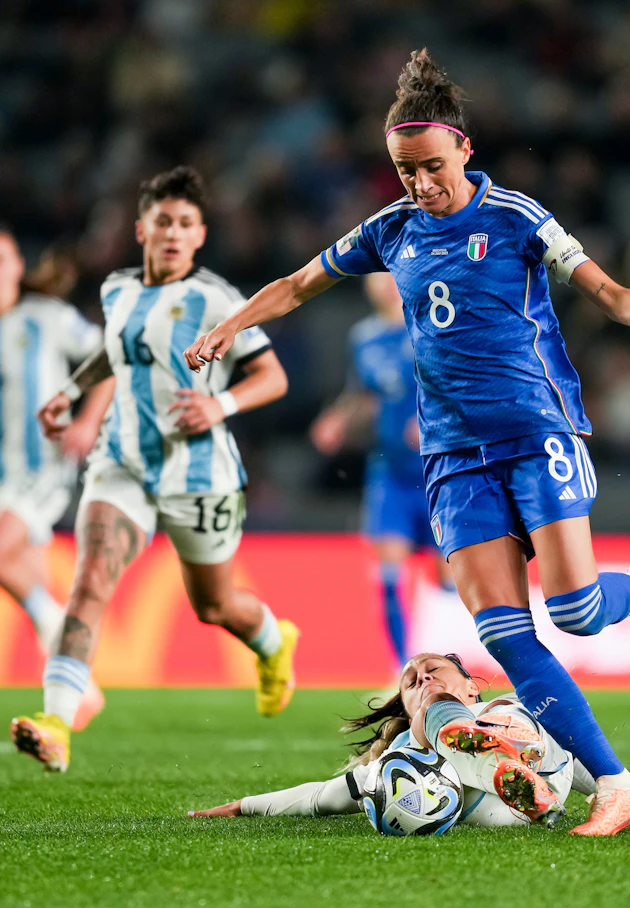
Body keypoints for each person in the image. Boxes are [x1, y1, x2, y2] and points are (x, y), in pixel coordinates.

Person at [184, 50, 630, 835]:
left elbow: (611, 294)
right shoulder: (390, 230)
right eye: (404, 170)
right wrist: (231, 325)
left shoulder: (518, 216)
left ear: (464, 152)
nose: (420, 184)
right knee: (504, 635)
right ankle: (617, 785)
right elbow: (296, 284)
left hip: (535, 431)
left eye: (430, 166)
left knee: (580, 612)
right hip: (452, 458)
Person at [10, 166, 298, 773]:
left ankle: (274, 641)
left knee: (215, 608)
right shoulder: (118, 289)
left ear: (200, 235)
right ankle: (57, 721)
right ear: (142, 229)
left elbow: (272, 377)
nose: (172, 233)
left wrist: (220, 404)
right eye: (163, 222)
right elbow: (115, 352)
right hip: (121, 464)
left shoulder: (215, 299)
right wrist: (70, 391)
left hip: (199, 475)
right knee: (90, 583)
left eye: (185, 224)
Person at [188, 652, 630, 830]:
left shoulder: (505, 707)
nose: (421, 681)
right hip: (528, 781)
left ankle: (493, 756)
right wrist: (241, 805)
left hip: (528, 748)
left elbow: (618, 787)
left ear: (469, 684)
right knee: (439, 748)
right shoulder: (389, 769)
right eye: (411, 682)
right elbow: (316, 797)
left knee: (519, 721)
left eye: (434, 672)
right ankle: (505, 777)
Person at [310, 272, 456, 670]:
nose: (384, 285)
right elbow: (363, 393)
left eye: (390, 276)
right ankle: (401, 671)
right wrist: (338, 419)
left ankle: (450, 664)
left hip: (436, 469)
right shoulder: (364, 337)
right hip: (388, 470)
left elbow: (457, 382)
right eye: (376, 277)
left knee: (448, 576)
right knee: (388, 570)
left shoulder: (431, 325)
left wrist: (431, 421)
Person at [0, 229, 112, 731]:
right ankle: (79, 690)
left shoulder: (45, 318)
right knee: (30, 586)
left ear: (19, 266)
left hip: (38, 471)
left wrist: (88, 420)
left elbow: (111, 360)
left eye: (3, 258)